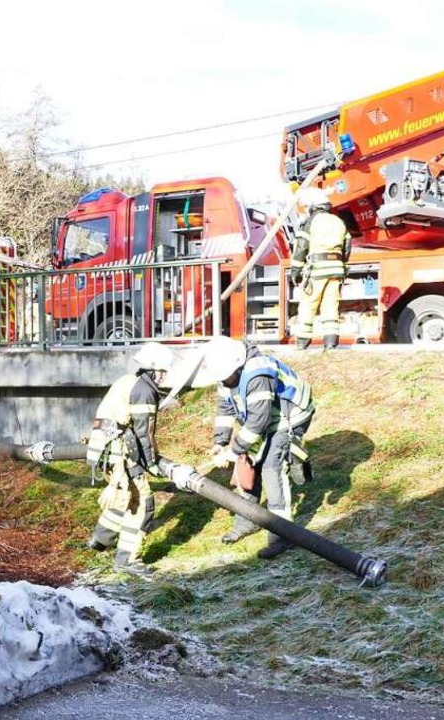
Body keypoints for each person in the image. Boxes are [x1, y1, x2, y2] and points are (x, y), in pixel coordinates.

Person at [202, 336, 315, 560]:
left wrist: (233, 452)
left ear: (237, 364)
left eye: (226, 377)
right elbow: (226, 409)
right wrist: (220, 442)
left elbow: (259, 423)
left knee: (272, 469)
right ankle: (247, 522)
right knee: (249, 465)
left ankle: (282, 534)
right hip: (262, 416)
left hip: (288, 417)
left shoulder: (257, 375)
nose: (223, 381)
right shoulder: (227, 374)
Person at [84, 342, 178, 576]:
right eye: (164, 371)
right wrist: (152, 464)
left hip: (104, 449)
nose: (165, 377)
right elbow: (143, 433)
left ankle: (99, 539)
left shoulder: (128, 381)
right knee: (141, 503)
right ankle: (127, 560)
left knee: (121, 497)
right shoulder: (144, 391)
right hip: (121, 452)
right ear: (154, 369)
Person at [289, 186, 352, 350]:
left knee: (309, 304)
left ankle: (302, 343)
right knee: (331, 305)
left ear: (312, 206)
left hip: (317, 269)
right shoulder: (338, 222)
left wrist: (295, 270)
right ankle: (330, 343)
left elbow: (301, 247)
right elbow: (347, 246)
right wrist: (342, 264)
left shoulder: (311, 222)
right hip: (336, 269)